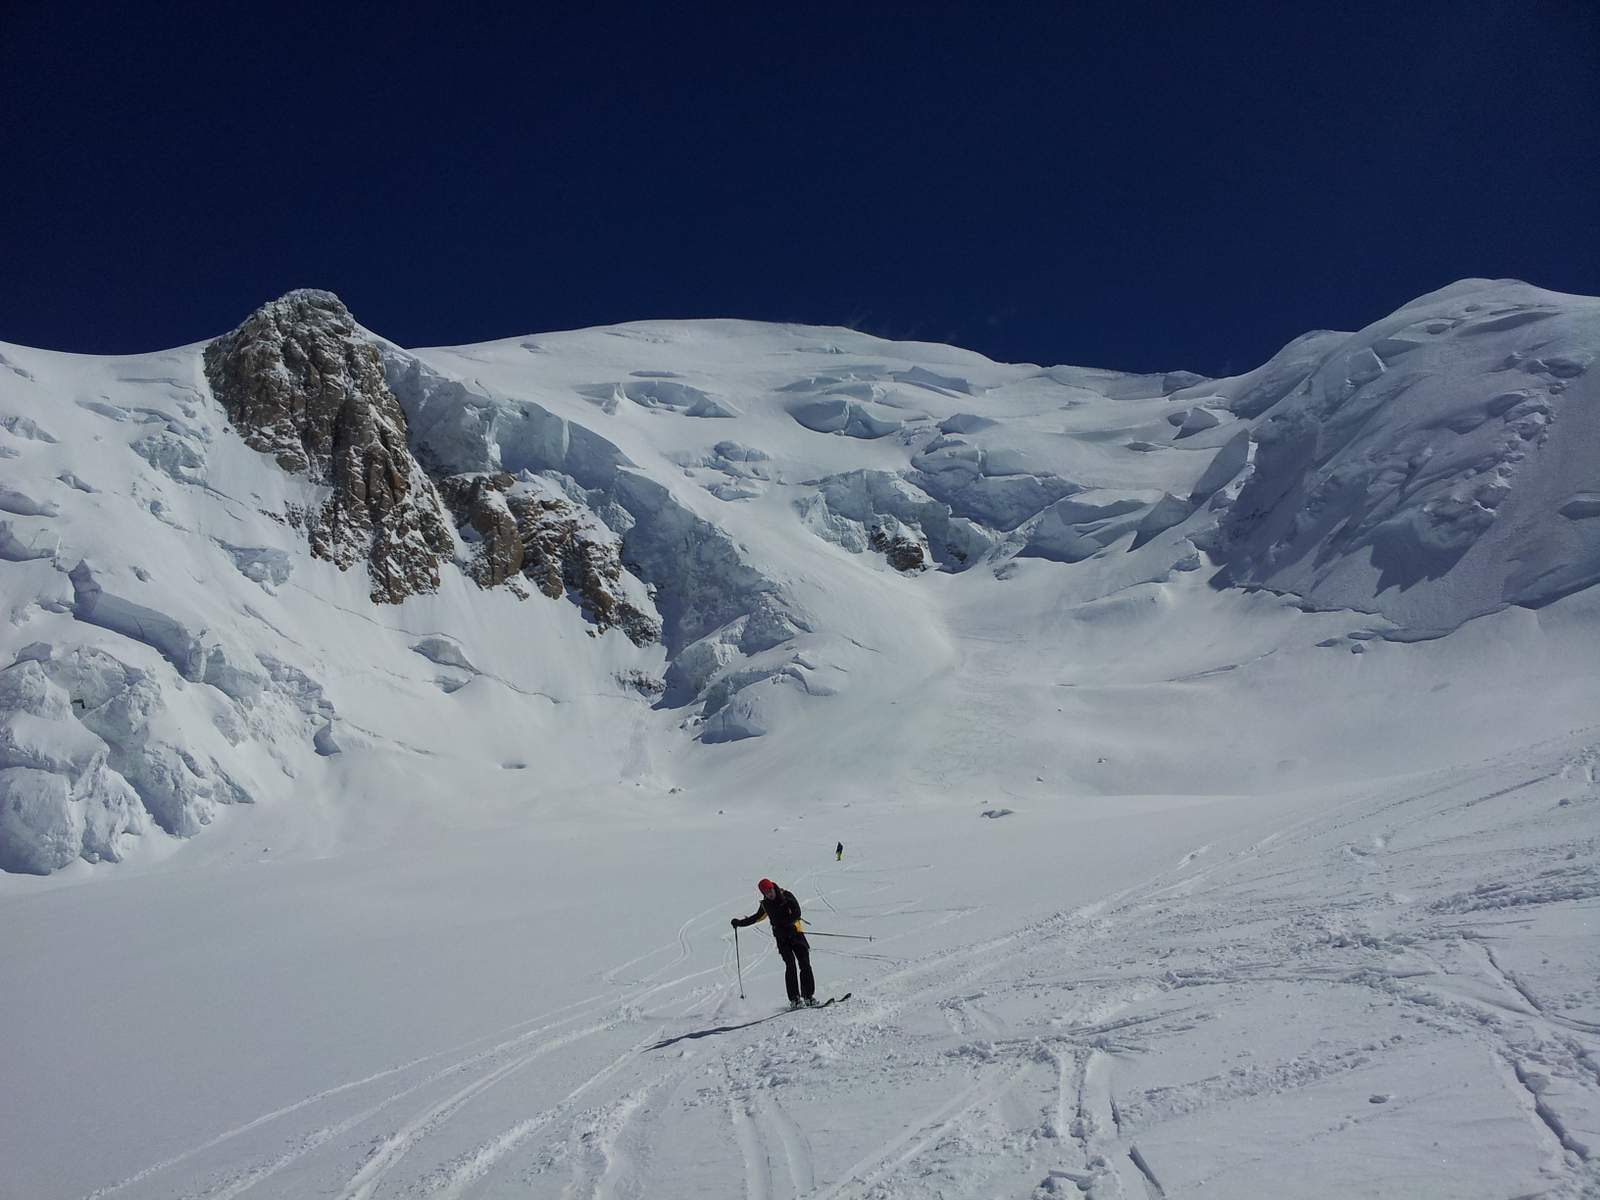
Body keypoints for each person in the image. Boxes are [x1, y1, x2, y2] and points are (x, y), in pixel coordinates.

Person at [732, 878, 816, 1007]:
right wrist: (740, 923)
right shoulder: (765, 905)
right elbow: (757, 917)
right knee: (790, 965)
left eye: (770, 890)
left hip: (796, 935)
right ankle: (795, 999)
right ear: (763, 893)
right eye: (766, 892)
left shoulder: (786, 895)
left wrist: (787, 924)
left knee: (805, 964)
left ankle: (808, 996)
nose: (770, 894)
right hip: (782, 939)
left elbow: (797, 912)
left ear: (773, 887)